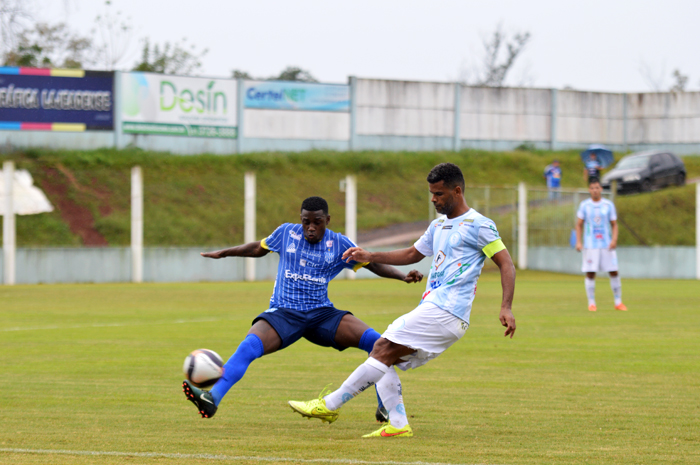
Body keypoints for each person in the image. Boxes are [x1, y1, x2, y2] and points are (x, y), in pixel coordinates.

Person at [287, 163, 516, 438]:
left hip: (447, 310)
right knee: (384, 354)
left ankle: (329, 405)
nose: (433, 199)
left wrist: (505, 306)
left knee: (382, 346)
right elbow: (411, 255)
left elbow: (506, 264)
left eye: (439, 194)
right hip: (437, 309)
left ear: (457, 191)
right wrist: (369, 255)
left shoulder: (479, 225)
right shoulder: (438, 225)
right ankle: (397, 424)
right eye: (431, 193)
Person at [182, 196, 424, 420]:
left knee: (378, 343)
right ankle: (212, 398)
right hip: (284, 313)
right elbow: (258, 248)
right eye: (306, 221)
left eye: (317, 222)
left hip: (322, 314)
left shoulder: (339, 243)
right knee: (248, 347)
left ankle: (386, 406)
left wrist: (402, 277)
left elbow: (371, 265)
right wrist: (224, 253)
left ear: (327, 221)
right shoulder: (286, 233)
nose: (310, 227)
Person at [575, 179, 627, 312]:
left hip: (606, 244)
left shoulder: (608, 205)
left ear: (601, 189)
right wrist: (579, 241)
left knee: (614, 271)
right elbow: (579, 224)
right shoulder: (584, 205)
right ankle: (591, 303)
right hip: (591, 245)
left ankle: (618, 302)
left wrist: (614, 240)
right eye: (592, 188)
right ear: (589, 190)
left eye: (597, 188)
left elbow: (614, 224)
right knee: (591, 273)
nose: (595, 190)